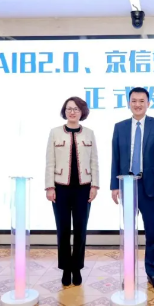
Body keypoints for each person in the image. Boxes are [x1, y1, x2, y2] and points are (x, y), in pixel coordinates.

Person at [110, 87, 154, 290]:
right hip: (127, 184)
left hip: (149, 185)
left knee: (151, 232)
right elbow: (115, 157)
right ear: (129, 103)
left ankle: (153, 272)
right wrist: (114, 185)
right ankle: (129, 273)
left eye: (141, 101)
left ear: (148, 103)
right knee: (128, 233)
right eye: (134, 101)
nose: (137, 104)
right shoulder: (120, 127)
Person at [45, 96, 99, 286]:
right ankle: (65, 269)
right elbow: (49, 161)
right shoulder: (55, 132)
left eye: (76, 109)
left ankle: (77, 268)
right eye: (69, 108)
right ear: (64, 111)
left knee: (80, 229)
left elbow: (94, 161)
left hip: (83, 188)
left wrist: (95, 186)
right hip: (60, 188)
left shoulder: (89, 133)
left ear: (82, 112)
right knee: (63, 229)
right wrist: (49, 186)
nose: (72, 112)